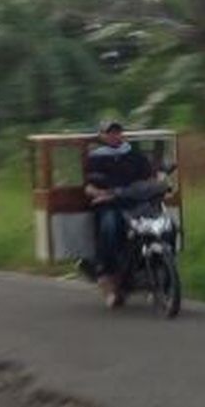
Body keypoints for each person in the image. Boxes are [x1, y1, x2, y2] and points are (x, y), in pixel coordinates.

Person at [84, 120, 154, 307]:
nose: (114, 135)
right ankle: (106, 271)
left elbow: (150, 178)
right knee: (109, 226)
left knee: (162, 224)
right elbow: (90, 187)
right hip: (109, 206)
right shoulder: (95, 158)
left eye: (117, 132)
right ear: (102, 136)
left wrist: (159, 184)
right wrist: (101, 194)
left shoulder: (135, 155)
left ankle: (159, 271)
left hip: (135, 203)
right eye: (110, 132)